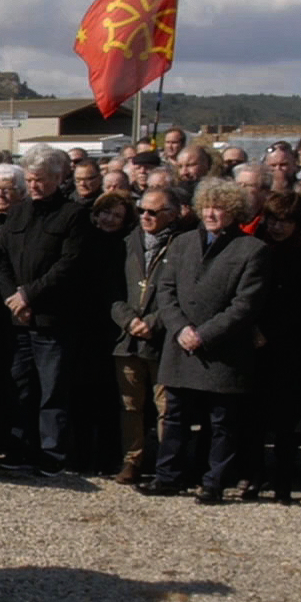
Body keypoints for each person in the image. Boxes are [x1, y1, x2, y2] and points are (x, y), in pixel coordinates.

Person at [139, 179, 269, 503]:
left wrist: (204, 334)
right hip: (180, 344)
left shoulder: (252, 250)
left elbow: (245, 305)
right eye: (207, 206)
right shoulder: (182, 243)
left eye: (220, 207)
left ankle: (215, 482)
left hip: (222, 350)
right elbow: (165, 290)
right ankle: (168, 475)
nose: (211, 213)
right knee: (175, 416)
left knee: (222, 421)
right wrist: (180, 328)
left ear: (234, 211)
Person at [0, 147, 91, 475]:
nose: (35, 186)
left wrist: (29, 296)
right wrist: (13, 298)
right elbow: (3, 260)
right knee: (19, 387)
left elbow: (69, 265)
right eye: (31, 180)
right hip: (18, 318)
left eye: (41, 180)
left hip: (52, 318)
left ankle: (55, 455)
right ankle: (21, 449)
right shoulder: (18, 214)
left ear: (58, 179)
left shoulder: (73, 215)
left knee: (52, 391)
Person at [247, 191, 301, 502]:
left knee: (285, 422)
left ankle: (283, 481)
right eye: (272, 220)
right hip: (252, 341)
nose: (277, 227)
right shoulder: (256, 249)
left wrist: (270, 332)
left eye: (284, 222)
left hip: (289, 347)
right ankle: (253, 475)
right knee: (253, 417)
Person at [110, 186, 179, 484]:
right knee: (130, 405)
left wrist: (155, 321)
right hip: (128, 339)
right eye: (142, 211)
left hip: (163, 340)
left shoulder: (182, 245)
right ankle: (132, 460)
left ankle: (167, 465)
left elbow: (182, 292)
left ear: (172, 214)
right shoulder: (125, 243)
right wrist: (128, 321)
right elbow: (111, 289)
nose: (146, 217)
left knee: (166, 406)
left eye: (154, 211)